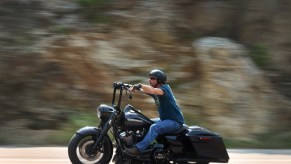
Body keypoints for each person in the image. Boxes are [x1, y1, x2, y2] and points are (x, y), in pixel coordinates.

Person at [124, 69, 185, 156]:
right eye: (150, 78)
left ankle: (138, 149)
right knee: (145, 122)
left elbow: (152, 90)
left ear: (159, 80)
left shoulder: (164, 89)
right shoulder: (156, 90)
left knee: (154, 127)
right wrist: (129, 87)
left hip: (175, 122)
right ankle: (132, 141)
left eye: (152, 78)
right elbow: (143, 91)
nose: (150, 80)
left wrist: (140, 84)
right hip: (165, 120)